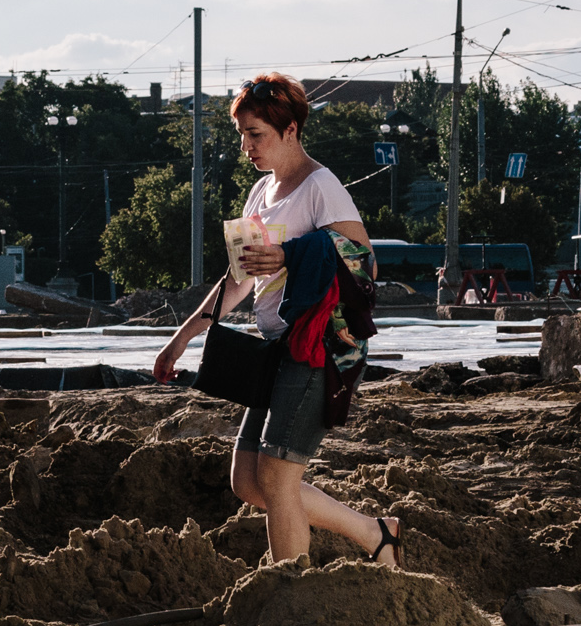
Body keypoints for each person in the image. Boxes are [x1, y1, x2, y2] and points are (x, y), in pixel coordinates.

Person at [152, 72, 400, 568]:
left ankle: (295, 591)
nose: (246, 145)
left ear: (290, 131)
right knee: (247, 481)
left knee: (278, 475)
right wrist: (181, 339)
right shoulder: (260, 193)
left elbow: (365, 263)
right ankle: (375, 533)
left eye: (256, 133)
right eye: (242, 133)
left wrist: (290, 255)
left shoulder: (321, 186)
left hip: (318, 346)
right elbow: (238, 279)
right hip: (276, 348)